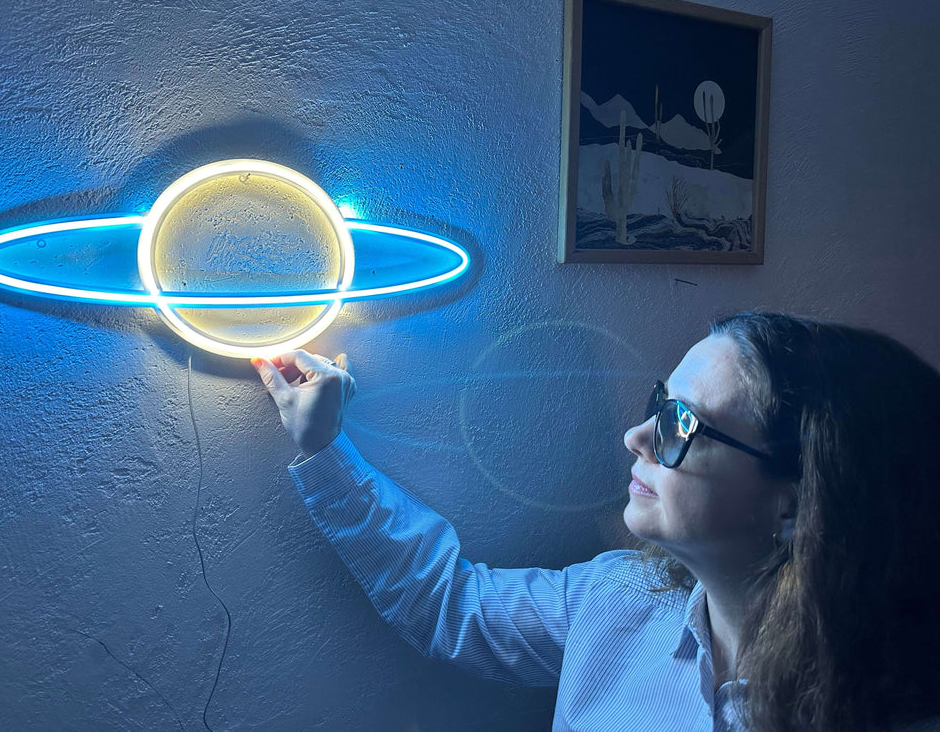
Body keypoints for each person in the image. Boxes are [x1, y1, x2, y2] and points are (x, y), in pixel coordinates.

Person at [251, 311, 940, 732]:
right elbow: (451, 604)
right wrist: (324, 447)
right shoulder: (619, 600)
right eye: (659, 403)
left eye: (682, 425)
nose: (636, 437)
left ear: (795, 500)